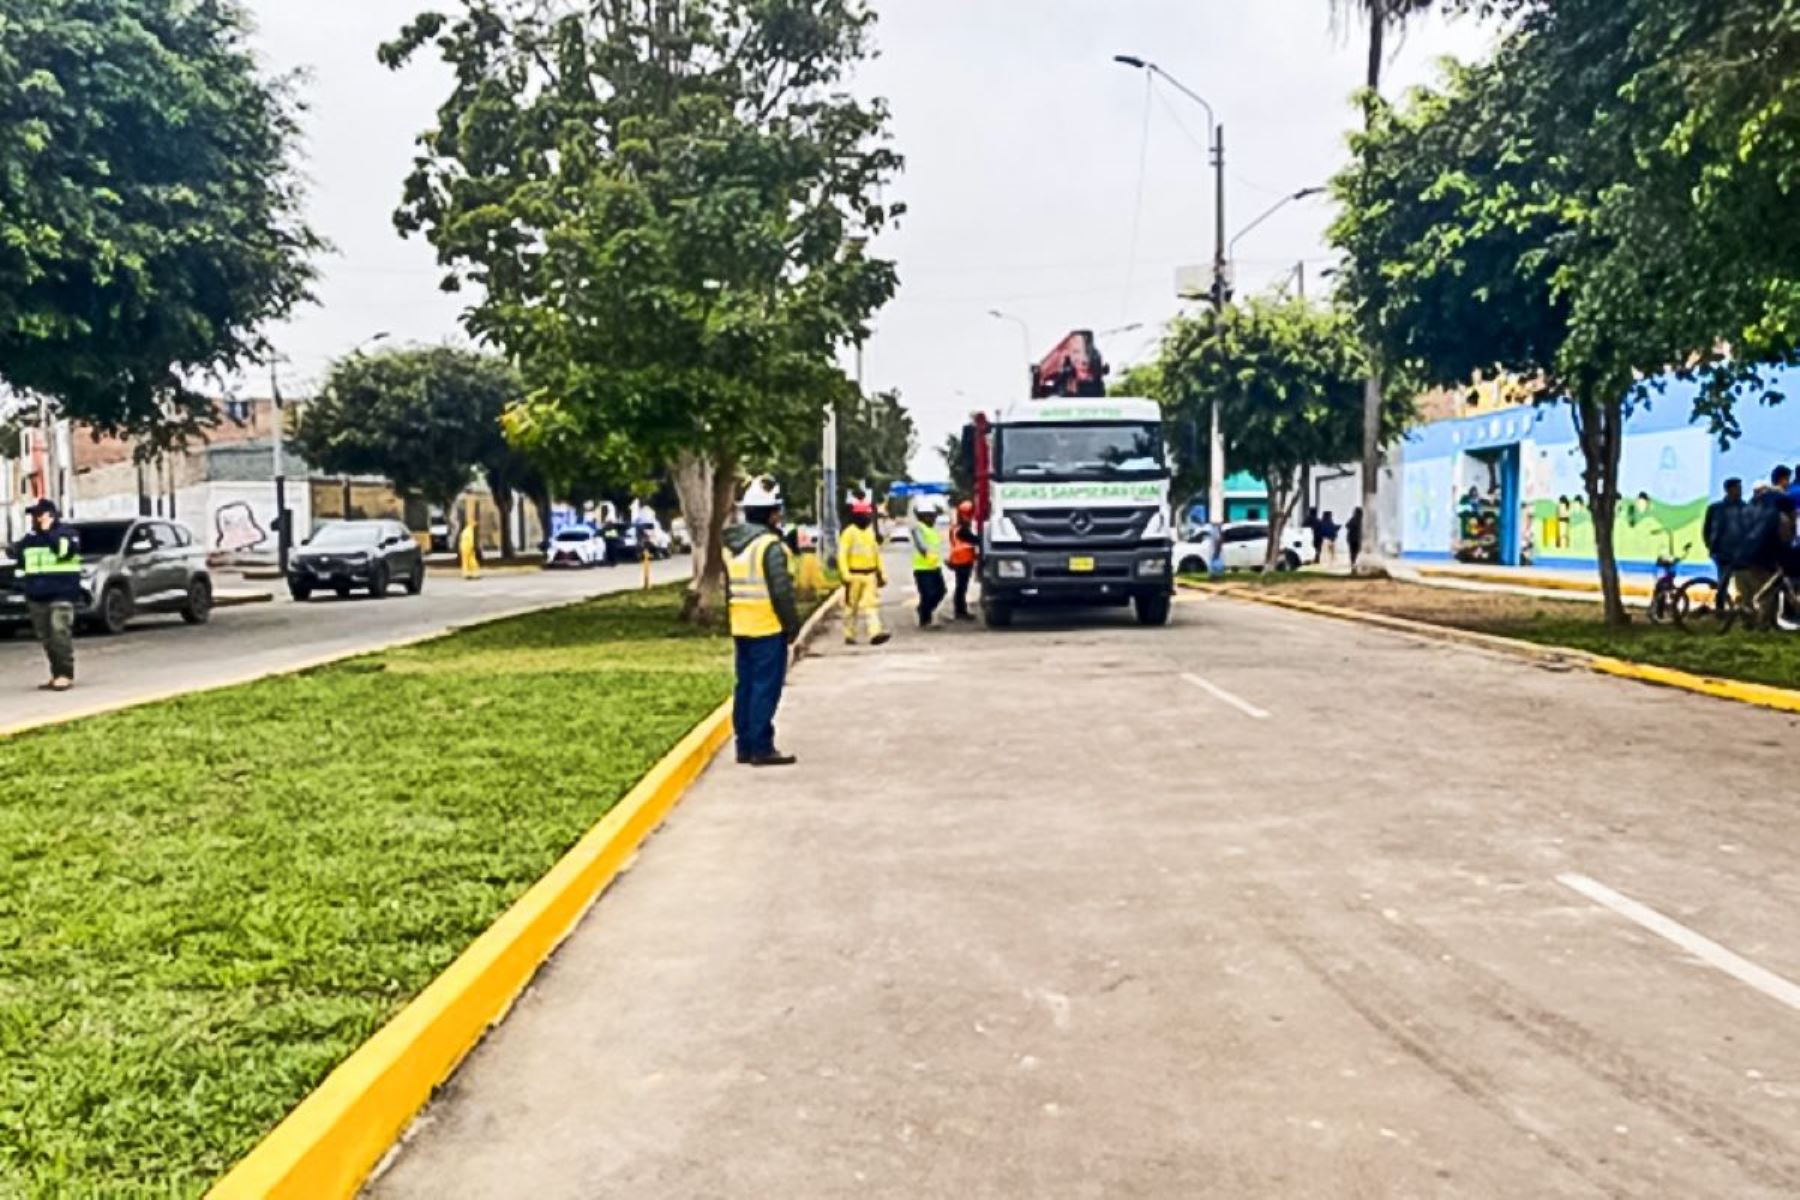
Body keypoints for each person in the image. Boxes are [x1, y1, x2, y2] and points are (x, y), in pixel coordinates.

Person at [724, 477, 802, 767]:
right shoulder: (769, 546)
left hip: (740, 624)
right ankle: (761, 747)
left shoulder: (734, 545)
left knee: (745, 686)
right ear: (771, 513)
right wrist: (792, 626)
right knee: (764, 688)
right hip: (767, 626)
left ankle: (744, 745)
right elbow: (781, 591)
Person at [15, 498, 83, 691]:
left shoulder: (67, 534)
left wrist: (48, 531)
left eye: (39, 514)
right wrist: (23, 586)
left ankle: (65, 674)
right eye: (33, 515)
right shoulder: (29, 539)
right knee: (47, 638)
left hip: (61, 593)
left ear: (50, 515)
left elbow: (64, 552)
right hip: (37, 595)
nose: (35, 519)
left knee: (59, 632)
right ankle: (56, 673)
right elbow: (21, 562)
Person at [838, 498, 890, 647]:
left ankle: (875, 633)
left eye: (868, 515)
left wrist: (881, 574)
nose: (867, 518)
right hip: (853, 575)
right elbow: (842, 555)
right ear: (856, 516)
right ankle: (849, 634)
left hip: (870, 575)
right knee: (851, 607)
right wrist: (845, 574)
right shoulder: (849, 533)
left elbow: (876, 554)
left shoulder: (869, 533)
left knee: (871, 606)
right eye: (865, 515)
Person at [1702, 478, 1747, 605]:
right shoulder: (1715, 508)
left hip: (1740, 553)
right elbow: (1706, 530)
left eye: (1740, 488)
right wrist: (1710, 546)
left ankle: (1741, 608)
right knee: (1723, 581)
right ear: (1729, 490)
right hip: (1721, 552)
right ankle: (1720, 607)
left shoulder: (1745, 508)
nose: (1740, 491)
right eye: (1737, 488)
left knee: (1743, 583)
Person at [911, 500, 948, 627]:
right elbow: (921, 544)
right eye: (930, 516)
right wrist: (926, 553)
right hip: (922, 568)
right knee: (927, 594)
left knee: (941, 591)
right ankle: (925, 619)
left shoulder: (931, 530)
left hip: (934, 567)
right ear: (922, 516)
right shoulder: (918, 528)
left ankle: (924, 610)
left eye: (934, 516)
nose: (933, 518)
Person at [948, 500, 979, 620]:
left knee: (960, 587)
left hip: (959, 560)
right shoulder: (963, 529)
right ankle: (960, 611)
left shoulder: (956, 527)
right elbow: (975, 540)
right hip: (963, 560)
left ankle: (960, 610)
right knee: (961, 587)